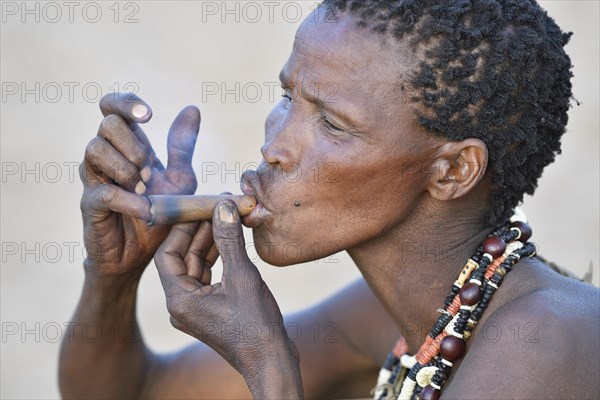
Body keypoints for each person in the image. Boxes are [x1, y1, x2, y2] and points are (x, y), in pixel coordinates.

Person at [59, 1, 600, 399]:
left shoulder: (544, 340)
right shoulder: (392, 318)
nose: (274, 146)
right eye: (288, 97)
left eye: (333, 124)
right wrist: (113, 273)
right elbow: (135, 393)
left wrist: (269, 363)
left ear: (453, 170)